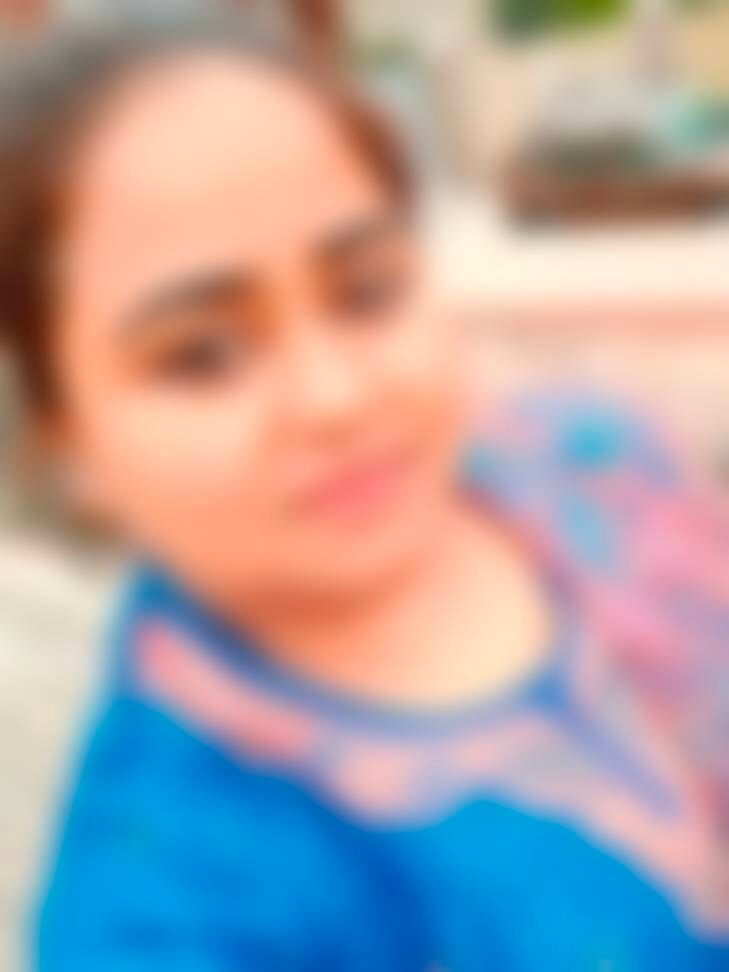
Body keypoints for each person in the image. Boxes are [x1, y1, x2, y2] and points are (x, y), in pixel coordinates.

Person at [1, 12, 727, 971]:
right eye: (202, 355)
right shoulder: (169, 916)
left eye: (366, 290)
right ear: (66, 435)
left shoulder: (596, 465)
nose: (336, 398)